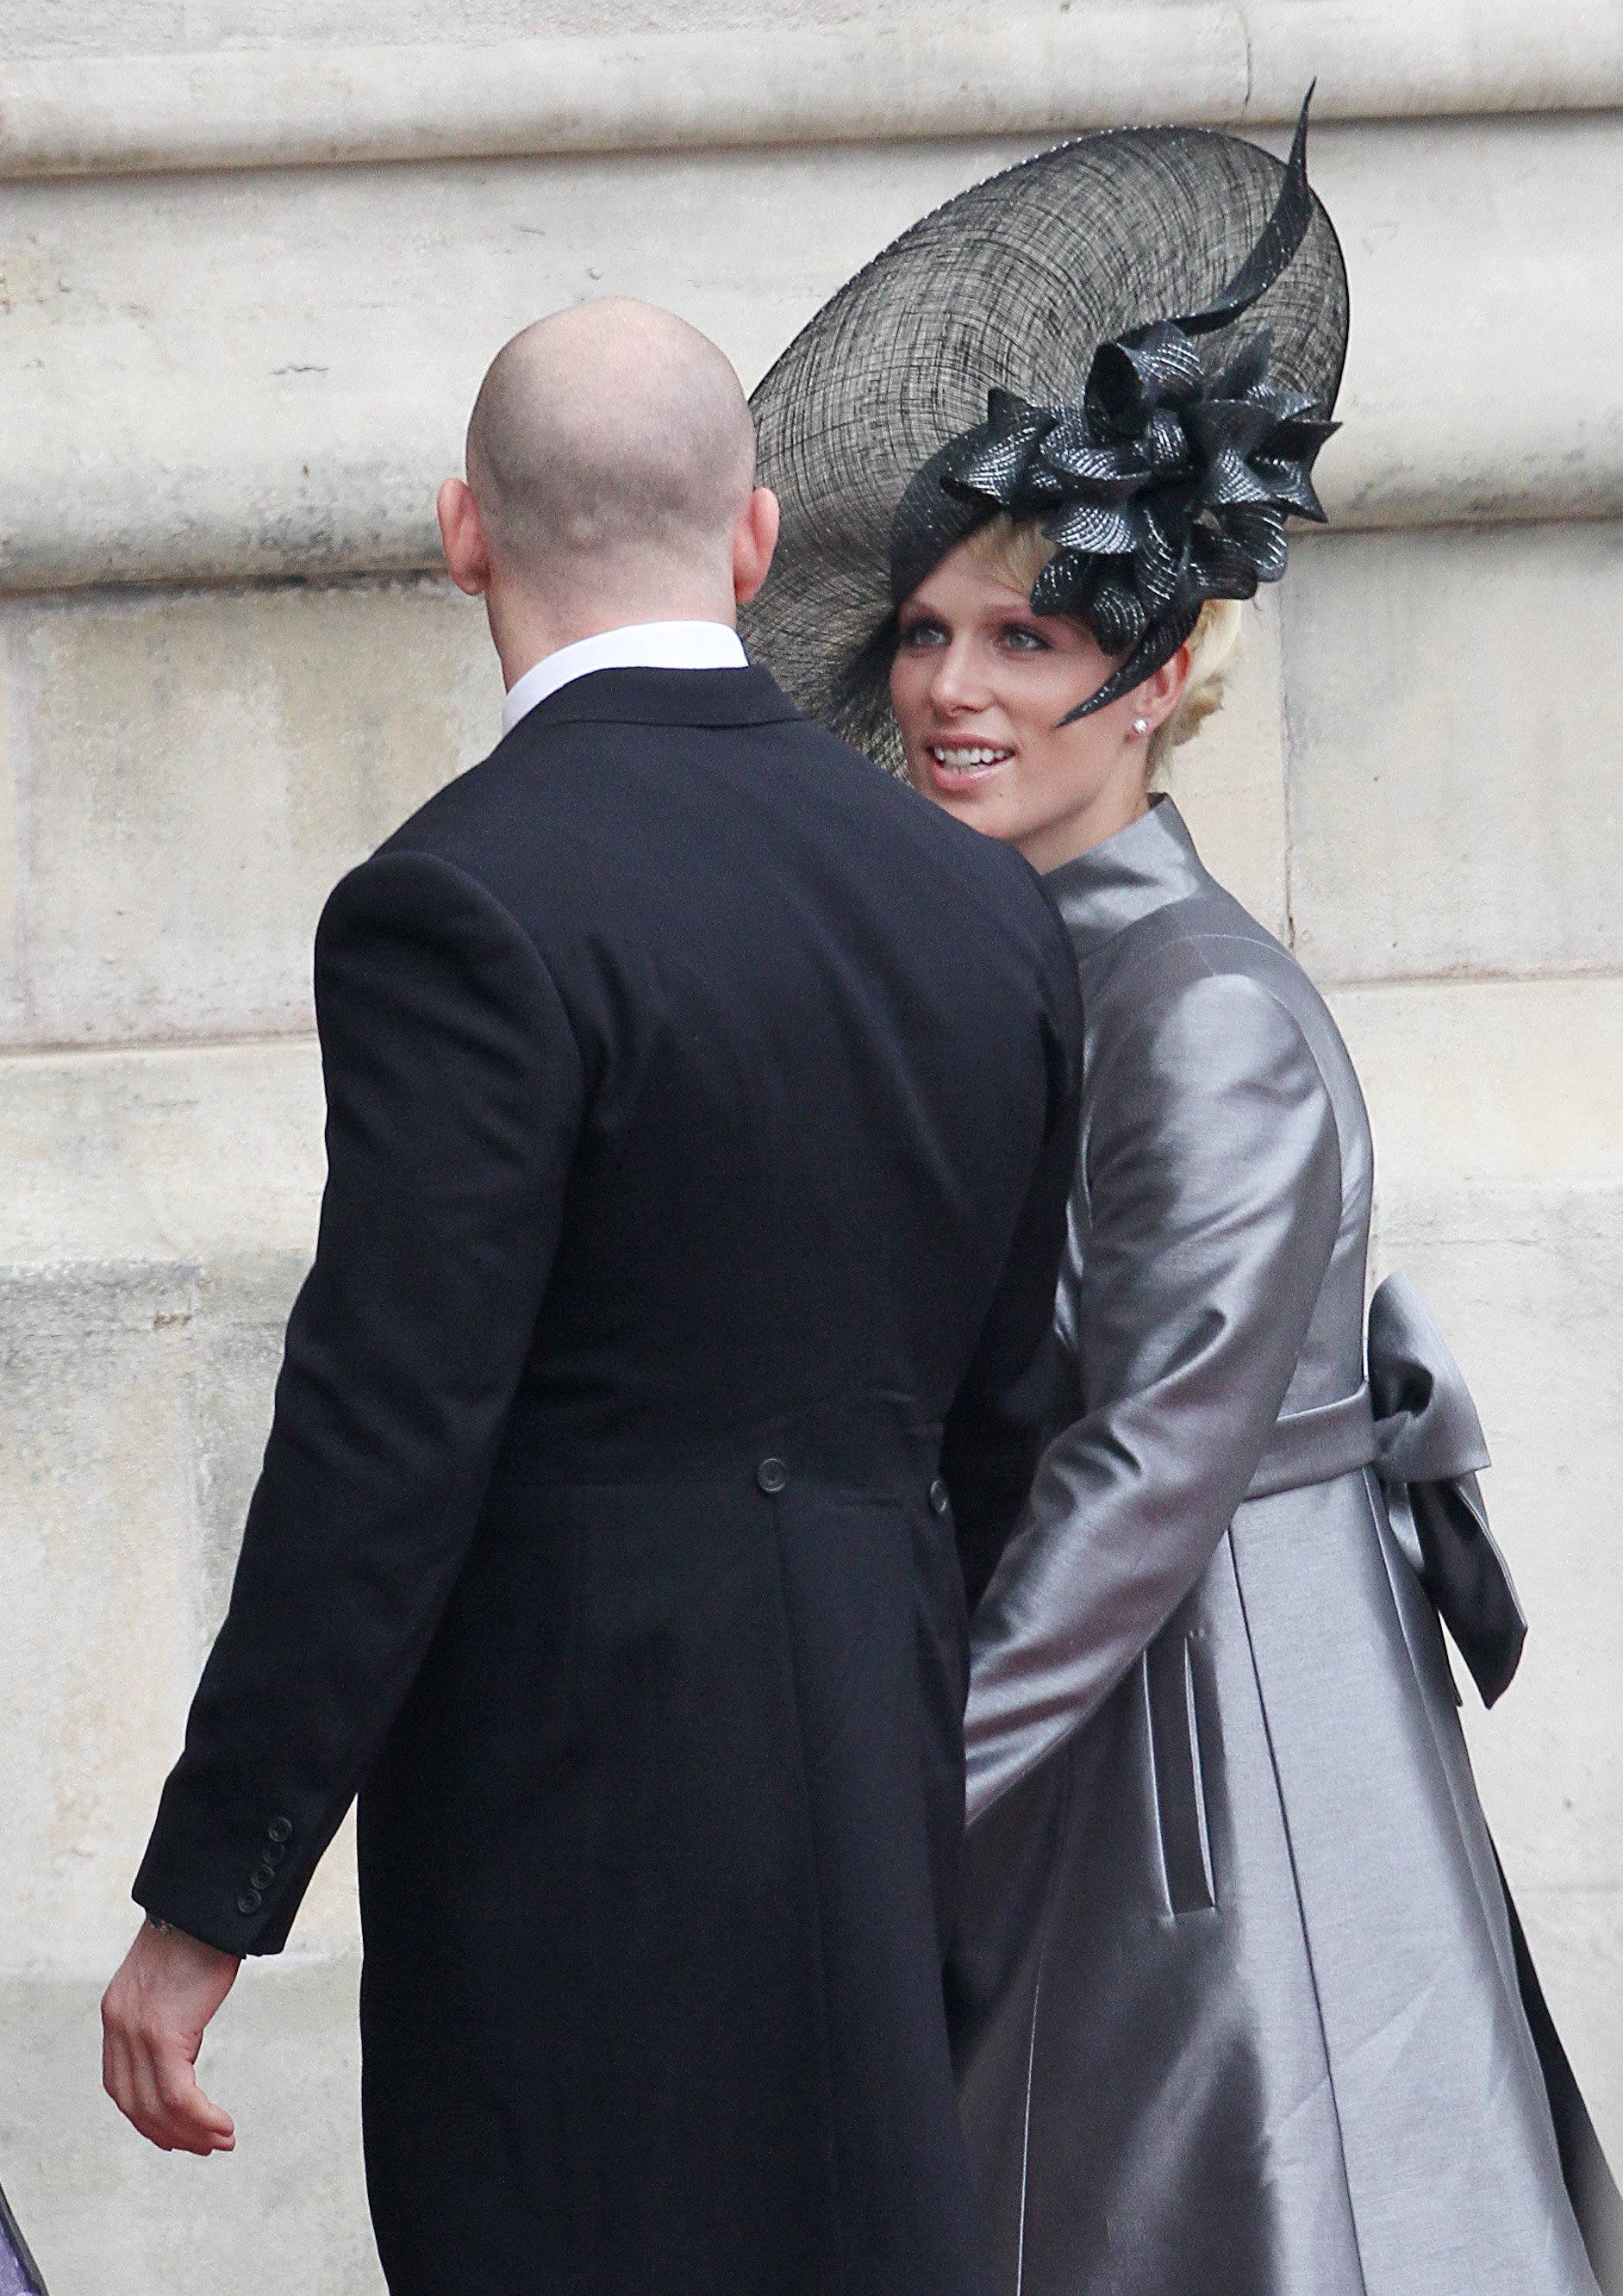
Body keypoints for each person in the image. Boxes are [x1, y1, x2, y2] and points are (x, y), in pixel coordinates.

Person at [744, 107, 1623, 2296]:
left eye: (1029, 648)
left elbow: (1149, 1473)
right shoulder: (1031, 962)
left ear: (1154, 685)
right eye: (934, 635)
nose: (955, 692)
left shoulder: (1205, 1009)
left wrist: (880, 1814)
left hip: (1218, 1739)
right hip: (1093, 1719)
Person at [100, 297, 1084, 2296]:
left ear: (465, 533)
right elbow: (1016, 1410)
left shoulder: (456, 900)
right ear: (753, 541)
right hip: (884, 1777)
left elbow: (386, 1431)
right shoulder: (981, 900)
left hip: (579, 1817)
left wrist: (212, 1896)